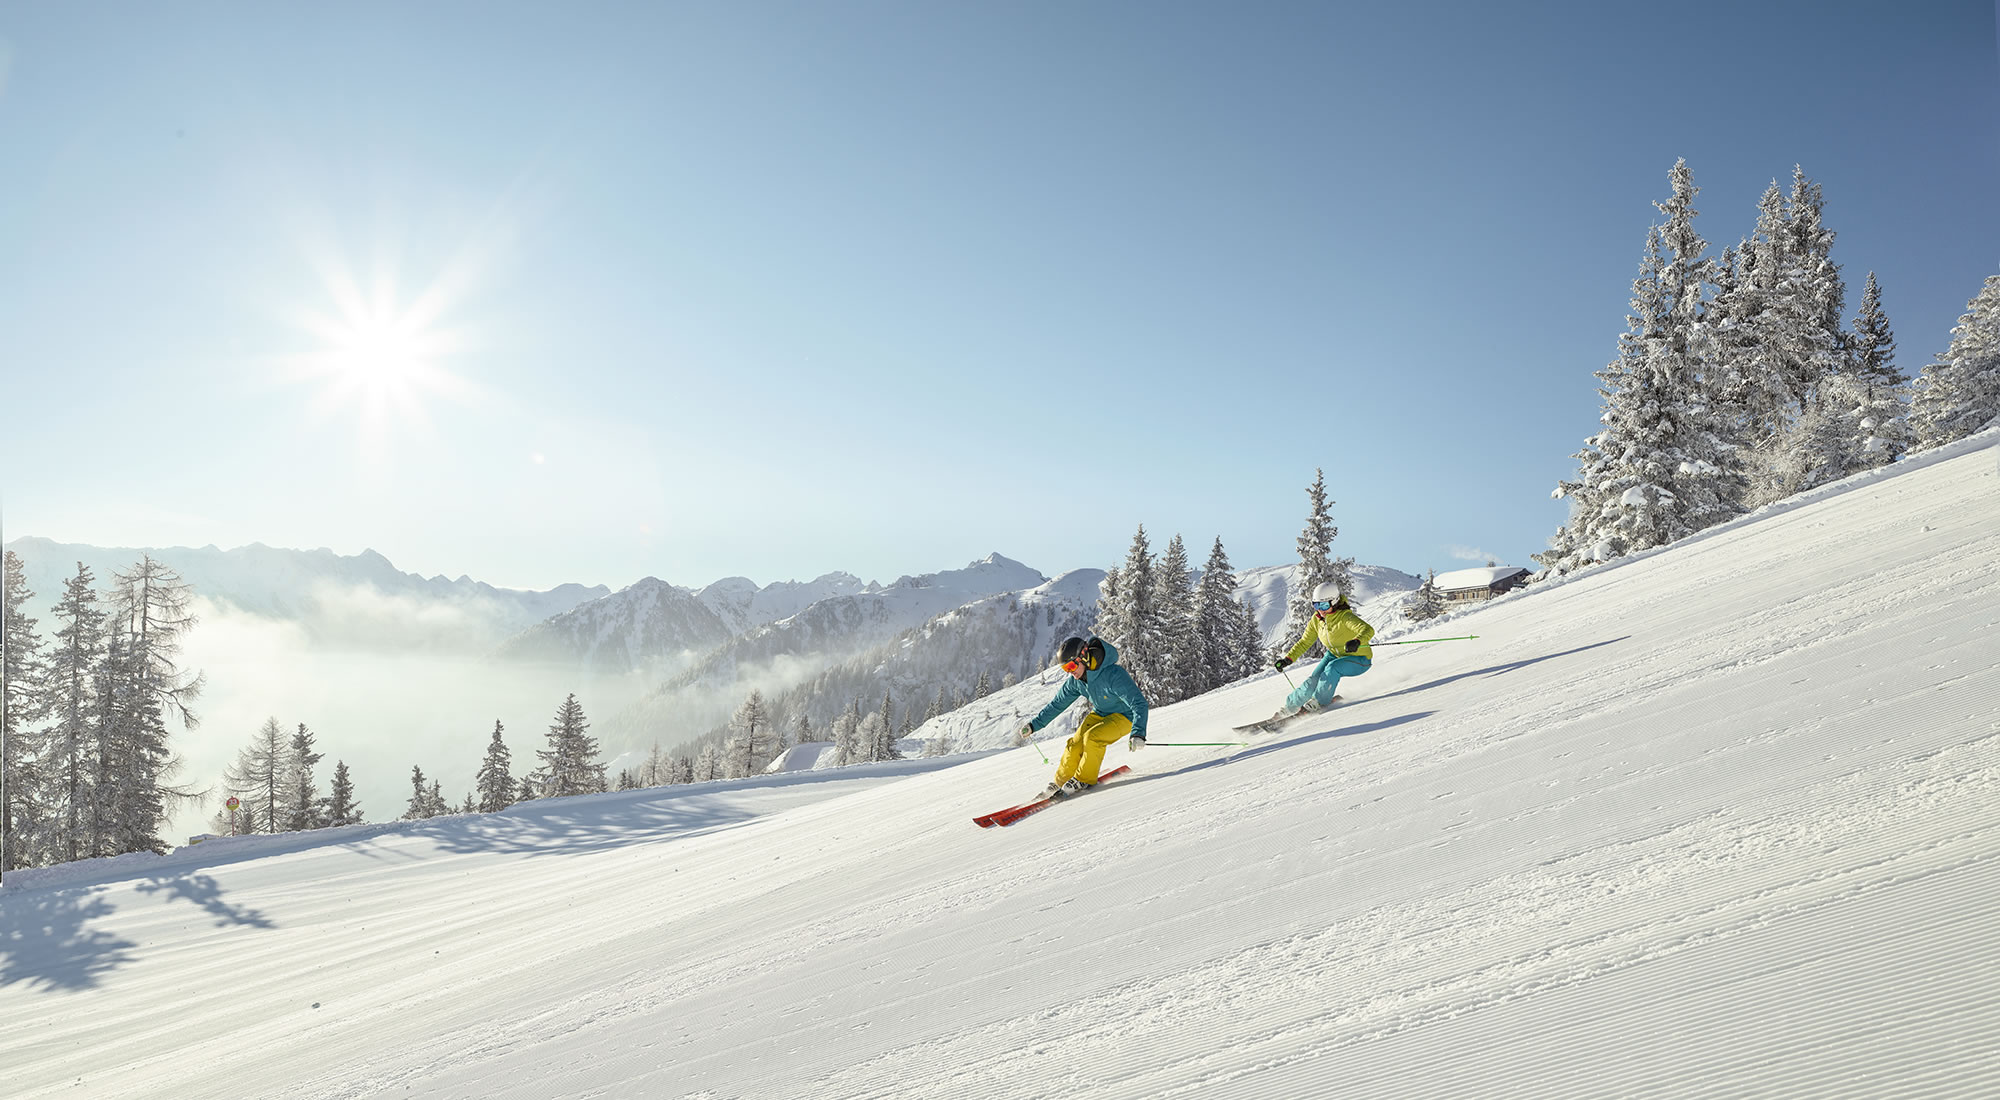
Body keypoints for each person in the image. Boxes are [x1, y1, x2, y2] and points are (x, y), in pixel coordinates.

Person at [1015, 635, 1150, 798]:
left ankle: (1083, 779)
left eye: (1072, 666)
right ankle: (1060, 782)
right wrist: (1034, 725)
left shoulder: (1113, 674)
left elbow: (1139, 703)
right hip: (1101, 713)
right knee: (1075, 743)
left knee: (1093, 738)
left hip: (1125, 716)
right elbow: (1057, 704)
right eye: (1066, 669)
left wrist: (1138, 732)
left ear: (1084, 657)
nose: (1071, 672)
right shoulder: (1076, 682)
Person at [1269, 581, 1374, 721]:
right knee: (1312, 682)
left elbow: (1368, 630)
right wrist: (1288, 659)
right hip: (1334, 655)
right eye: (1316, 605)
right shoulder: (1317, 620)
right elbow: (1305, 641)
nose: (1320, 610)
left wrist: (1357, 641)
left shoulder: (1345, 617)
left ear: (1334, 602)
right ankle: (1289, 708)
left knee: (1332, 669)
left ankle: (1319, 702)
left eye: (1324, 605)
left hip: (1359, 659)